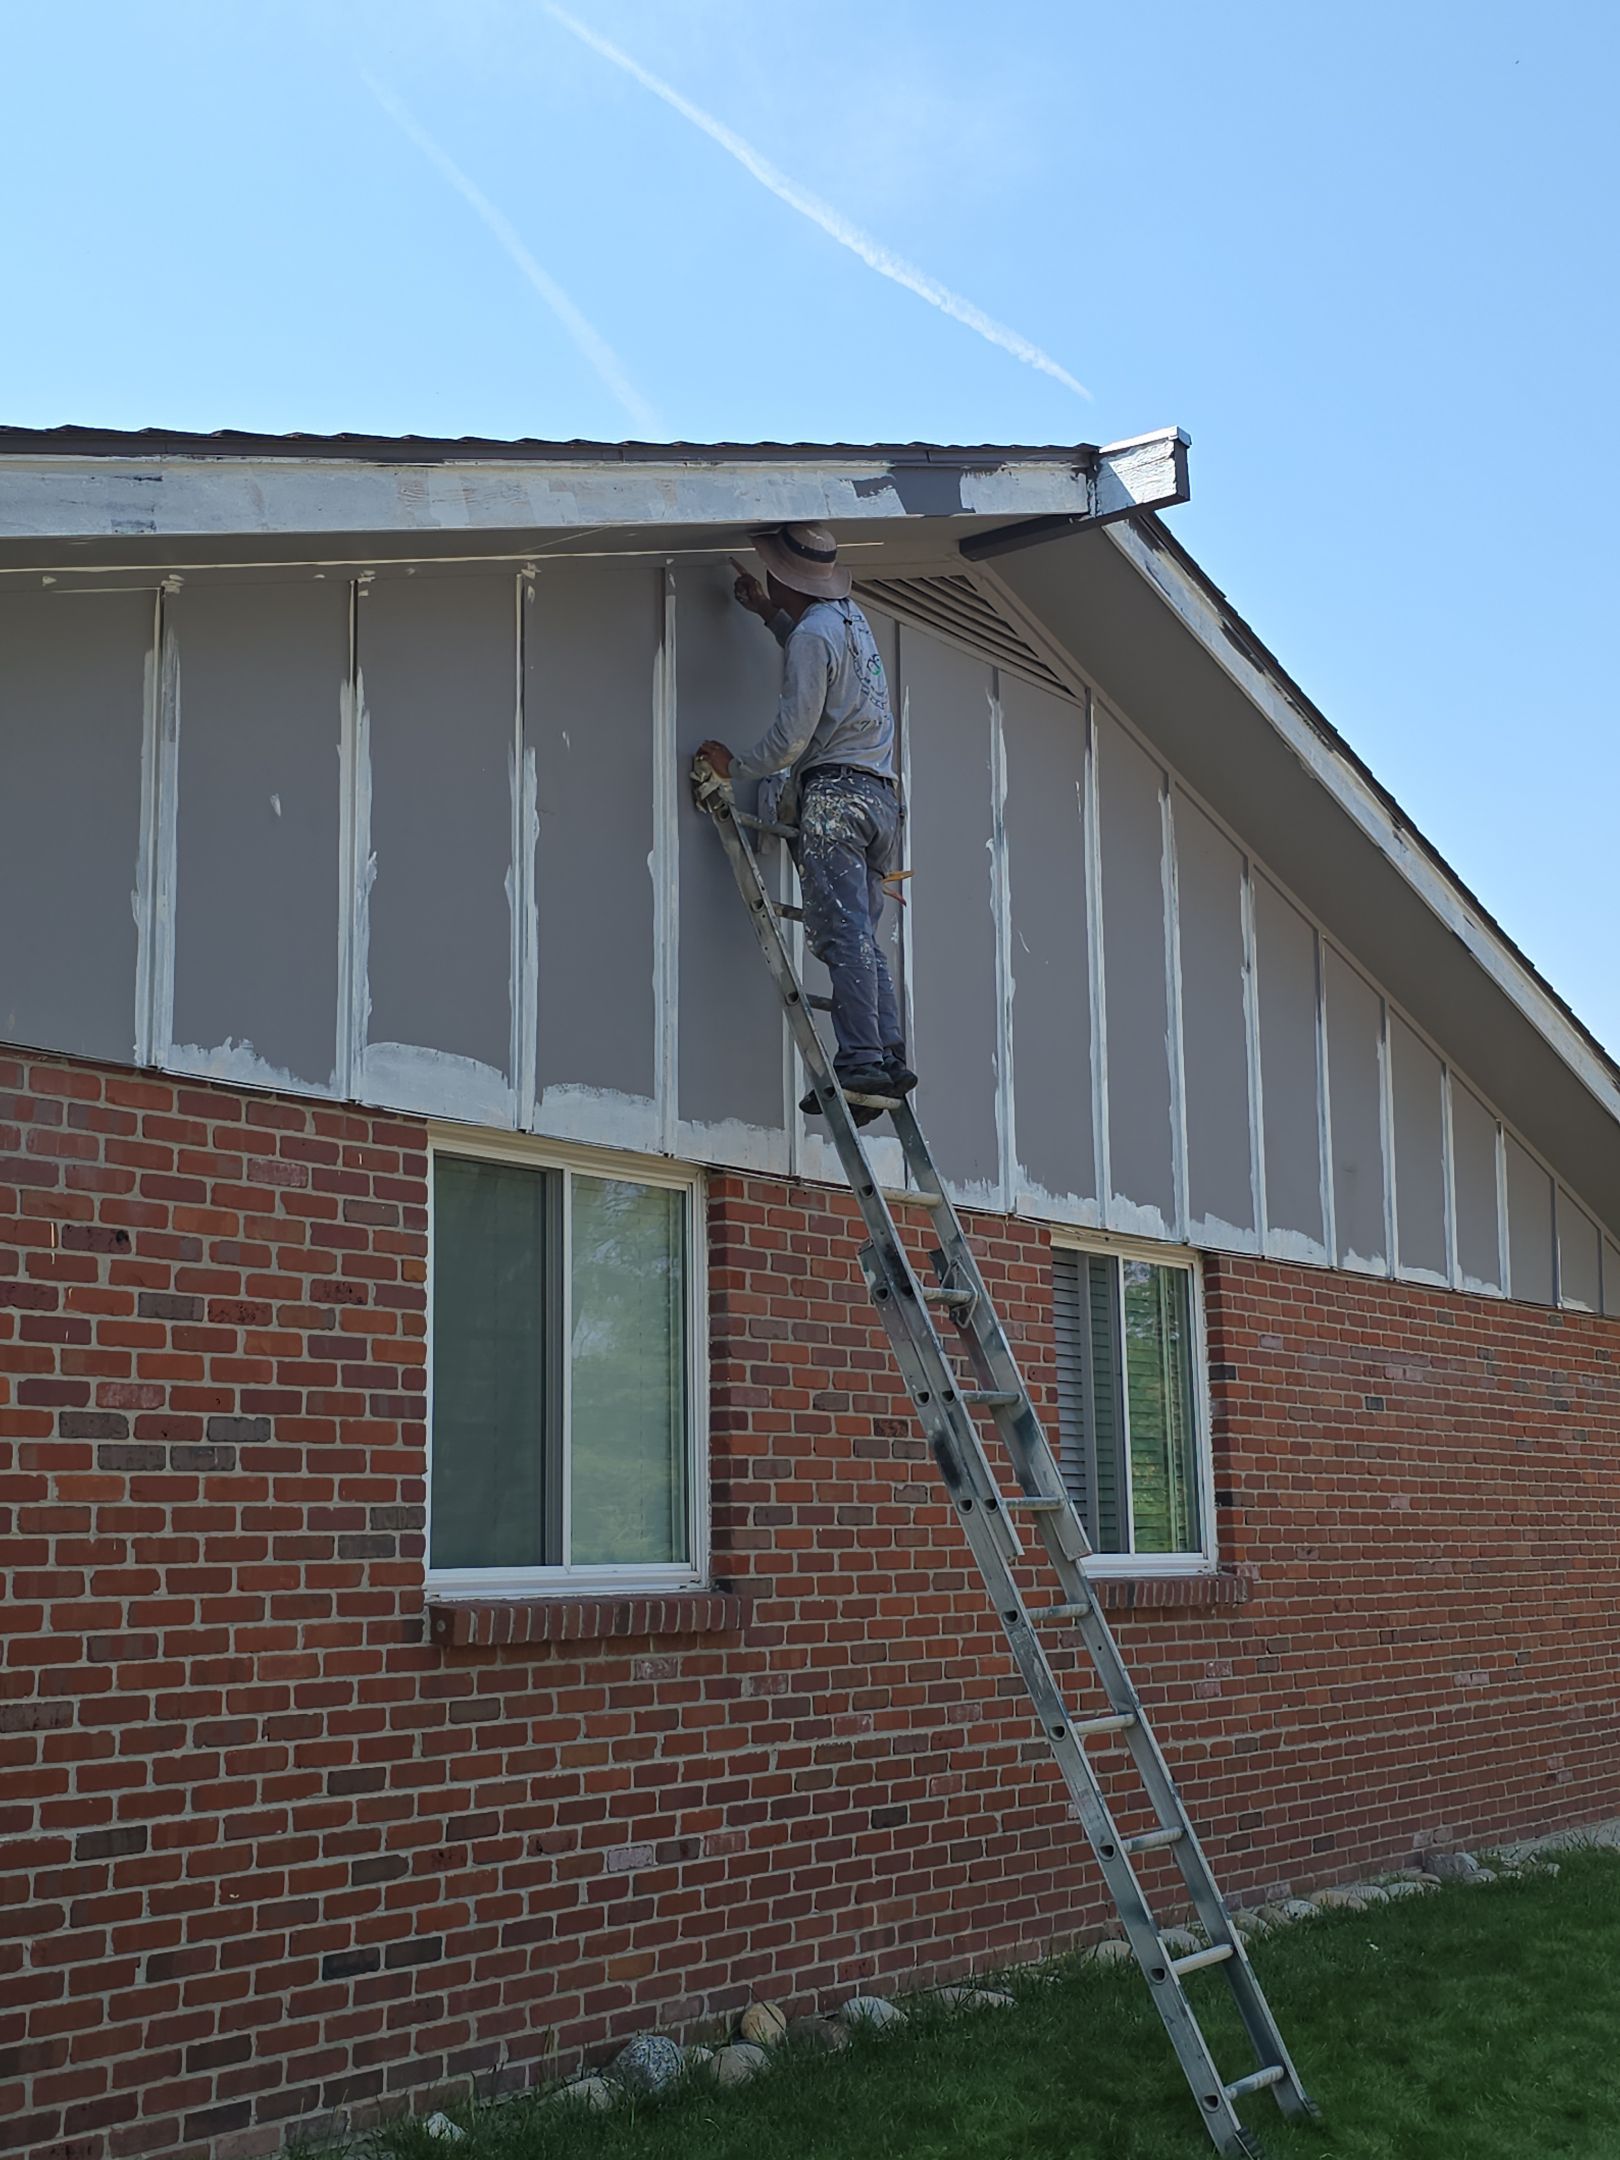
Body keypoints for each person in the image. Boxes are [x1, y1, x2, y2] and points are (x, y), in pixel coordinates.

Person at [697, 522, 916, 1122]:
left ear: (782, 573)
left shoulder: (813, 638)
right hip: (879, 799)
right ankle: (888, 1054)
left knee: (839, 931)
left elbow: (794, 734)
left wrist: (735, 766)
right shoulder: (848, 620)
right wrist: (770, 616)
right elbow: (823, 667)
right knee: (862, 933)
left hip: (834, 800)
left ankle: (863, 1060)